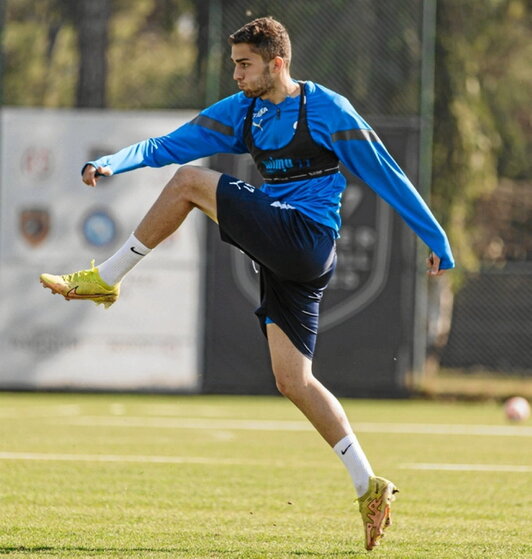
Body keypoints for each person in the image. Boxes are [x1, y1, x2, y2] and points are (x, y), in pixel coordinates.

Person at [40, 17, 454, 550]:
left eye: (244, 64)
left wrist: (437, 239)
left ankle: (105, 278)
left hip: (307, 238)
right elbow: (170, 144)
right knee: (293, 380)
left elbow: (387, 174)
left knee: (191, 183)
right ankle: (369, 484)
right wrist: (111, 163)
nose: (235, 74)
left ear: (276, 63)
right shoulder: (245, 112)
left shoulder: (327, 109)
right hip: (289, 259)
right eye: (234, 63)